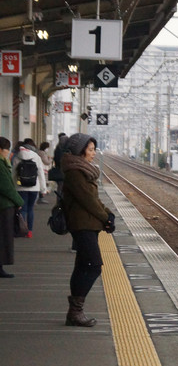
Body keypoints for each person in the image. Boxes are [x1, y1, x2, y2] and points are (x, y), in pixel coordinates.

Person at [61, 133, 115, 327]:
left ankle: (74, 313)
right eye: (90, 149)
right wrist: (105, 217)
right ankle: (76, 310)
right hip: (82, 224)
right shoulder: (75, 172)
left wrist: (108, 215)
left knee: (83, 266)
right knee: (93, 266)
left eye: (93, 149)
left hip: (89, 224)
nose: (93, 153)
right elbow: (88, 200)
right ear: (80, 151)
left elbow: (95, 199)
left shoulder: (83, 170)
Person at [0, 137, 25, 278]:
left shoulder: (4, 162)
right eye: (5, 150)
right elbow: (6, 187)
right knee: (4, 238)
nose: (8, 153)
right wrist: (19, 201)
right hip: (4, 206)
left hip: (5, 205)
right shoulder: (0, 164)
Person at [12, 138, 45, 238]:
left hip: (20, 187)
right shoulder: (36, 157)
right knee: (30, 209)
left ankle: (21, 230)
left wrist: (13, 186)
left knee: (23, 209)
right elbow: (41, 173)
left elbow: (13, 173)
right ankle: (29, 231)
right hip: (34, 187)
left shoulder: (17, 156)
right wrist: (43, 189)